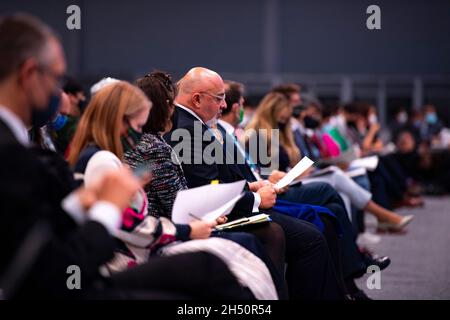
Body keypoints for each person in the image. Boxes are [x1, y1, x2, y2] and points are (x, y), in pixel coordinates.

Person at [0, 14, 263, 300]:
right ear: (28, 75)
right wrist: (109, 207)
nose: (61, 94)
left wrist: (79, 204)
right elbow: (54, 268)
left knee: (214, 265)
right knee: (212, 270)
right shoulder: (15, 154)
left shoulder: (27, 147)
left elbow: (33, 237)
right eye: (56, 78)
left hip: (111, 259)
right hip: (96, 273)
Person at [67, 80, 278, 299]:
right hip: (123, 261)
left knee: (231, 256)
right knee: (218, 263)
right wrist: (187, 230)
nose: (140, 136)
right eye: (139, 127)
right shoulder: (104, 160)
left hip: (134, 250)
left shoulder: (105, 157)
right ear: (119, 121)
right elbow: (131, 226)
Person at [164, 67, 345, 299]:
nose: (223, 106)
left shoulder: (191, 125)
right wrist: (257, 197)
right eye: (219, 99)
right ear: (197, 99)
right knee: (308, 238)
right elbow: (210, 189)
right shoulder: (190, 130)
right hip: (214, 215)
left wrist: (251, 188)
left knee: (316, 225)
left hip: (224, 206)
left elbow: (215, 181)